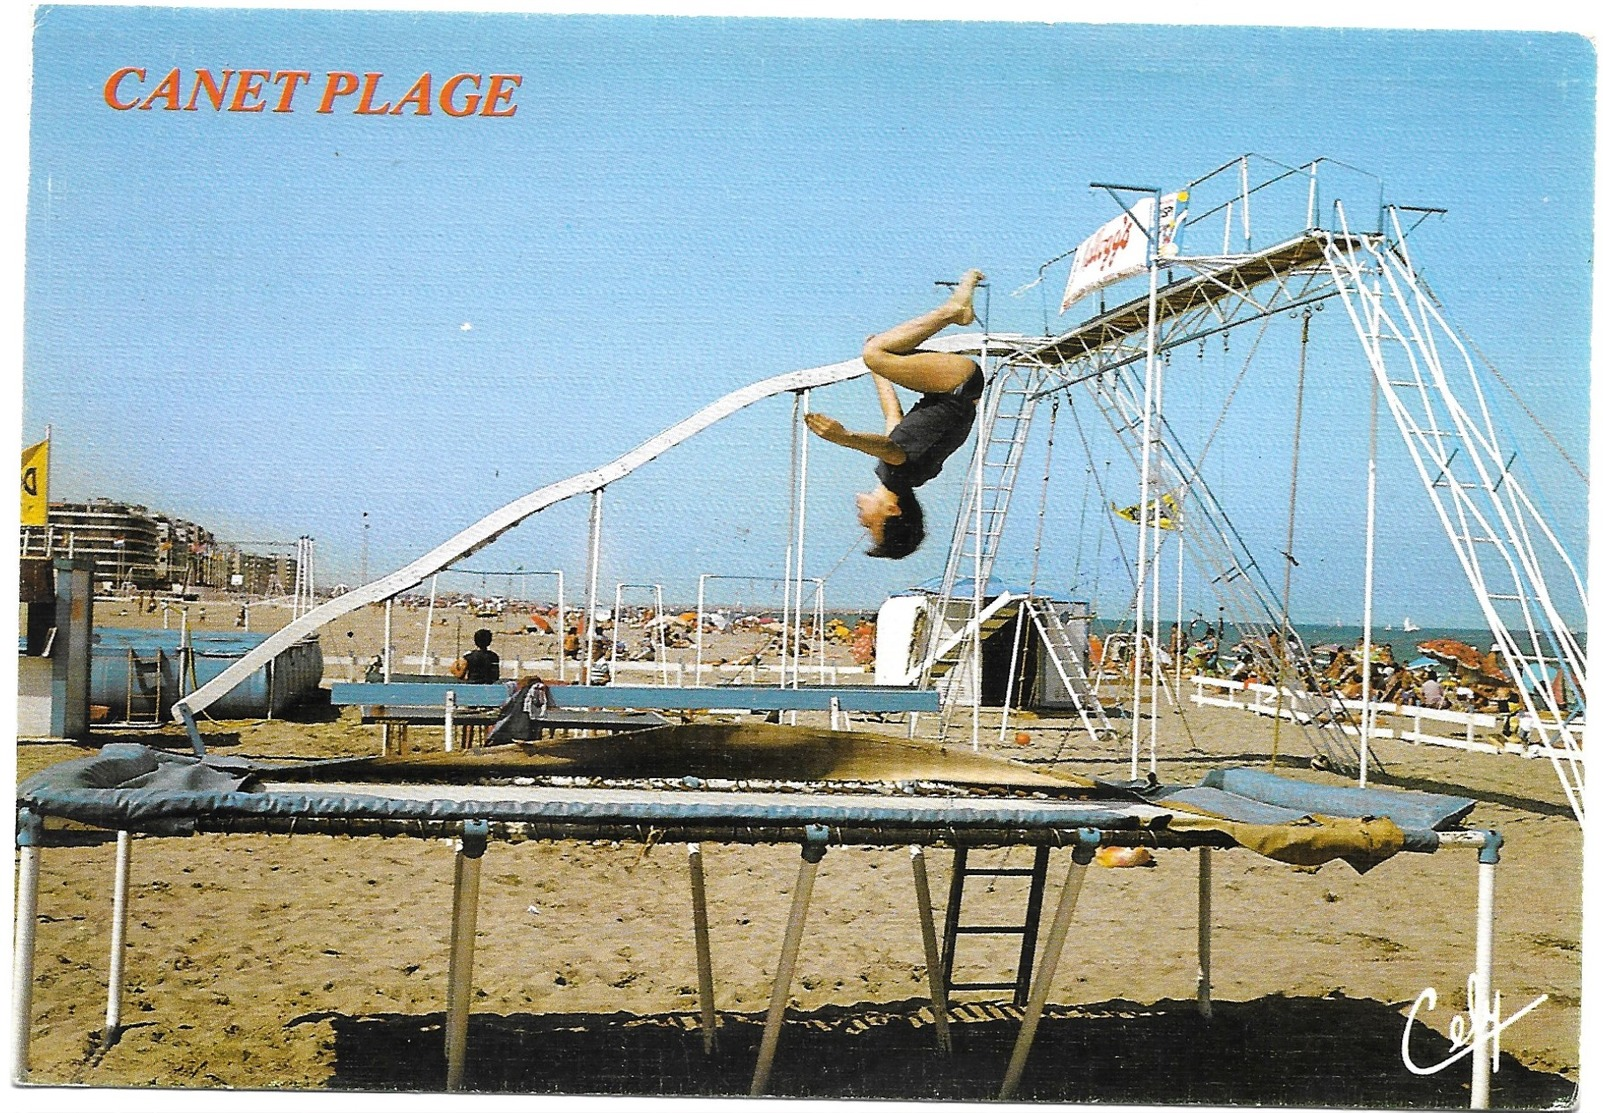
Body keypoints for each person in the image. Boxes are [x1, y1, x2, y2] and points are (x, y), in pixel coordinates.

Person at [805, 269, 986, 559]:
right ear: (892, 510)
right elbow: (890, 448)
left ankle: (957, 307)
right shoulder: (902, 473)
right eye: (872, 527)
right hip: (957, 385)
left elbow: (893, 416)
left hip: (955, 388)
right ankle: (956, 310)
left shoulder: (899, 476)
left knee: (876, 355)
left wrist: (878, 372)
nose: (862, 523)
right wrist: (843, 437)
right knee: (876, 352)